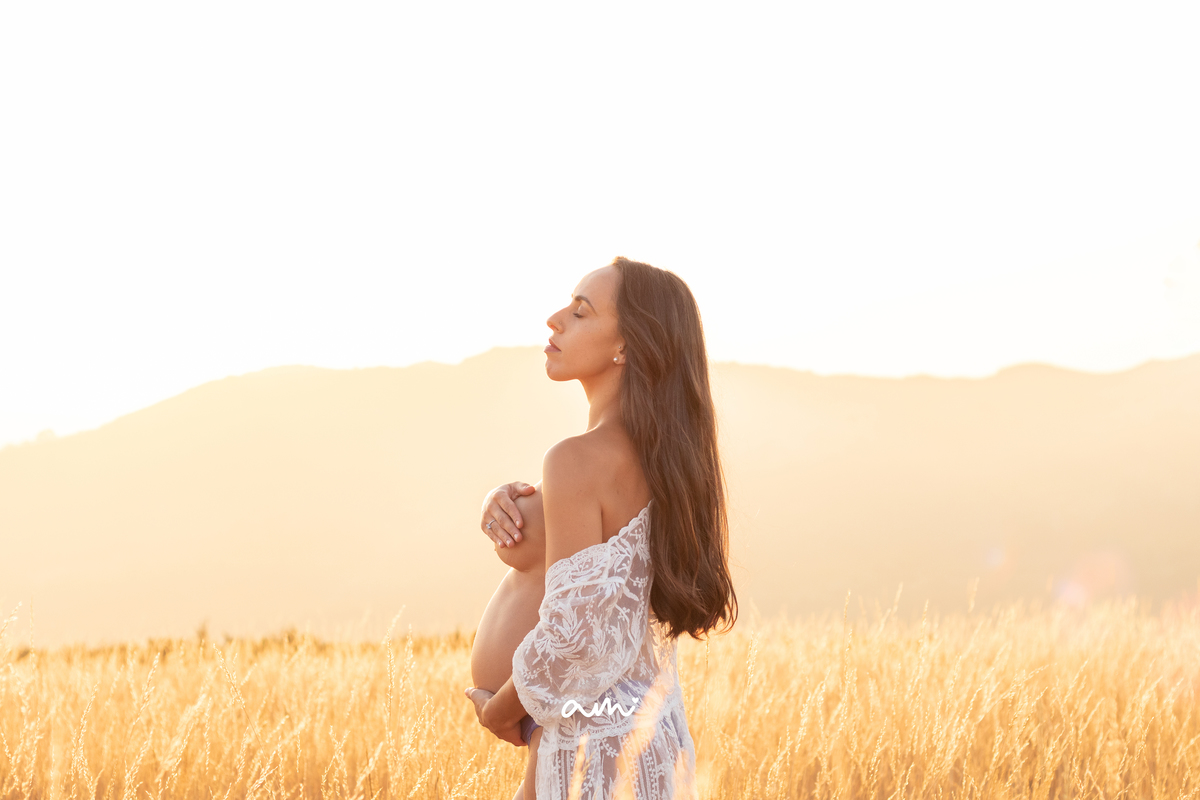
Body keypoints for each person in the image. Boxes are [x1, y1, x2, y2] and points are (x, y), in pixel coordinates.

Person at [464, 256, 738, 800]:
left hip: (595, 750)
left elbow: (578, 638)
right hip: (633, 740)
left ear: (627, 346)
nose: (554, 320)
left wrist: (500, 710)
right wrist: (507, 502)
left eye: (580, 312)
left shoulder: (579, 459)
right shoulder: (662, 464)